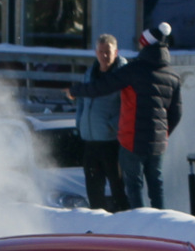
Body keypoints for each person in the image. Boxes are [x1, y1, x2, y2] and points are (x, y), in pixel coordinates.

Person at [65, 22, 183, 209]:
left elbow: (103, 87)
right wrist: (163, 133)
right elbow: (176, 113)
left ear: (146, 45)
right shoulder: (172, 75)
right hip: (158, 142)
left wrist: (76, 90)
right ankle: (161, 223)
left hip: (132, 138)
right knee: (156, 185)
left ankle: (136, 227)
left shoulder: (133, 70)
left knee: (133, 187)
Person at [73, 33, 128, 211]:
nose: (104, 56)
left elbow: (127, 105)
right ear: (96, 52)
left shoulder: (123, 75)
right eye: (101, 52)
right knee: (94, 190)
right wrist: (79, 121)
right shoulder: (90, 73)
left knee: (118, 188)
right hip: (90, 140)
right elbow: (82, 99)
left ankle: (123, 224)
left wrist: (112, 124)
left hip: (111, 141)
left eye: (108, 52)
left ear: (116, 52)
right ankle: (97, 227)